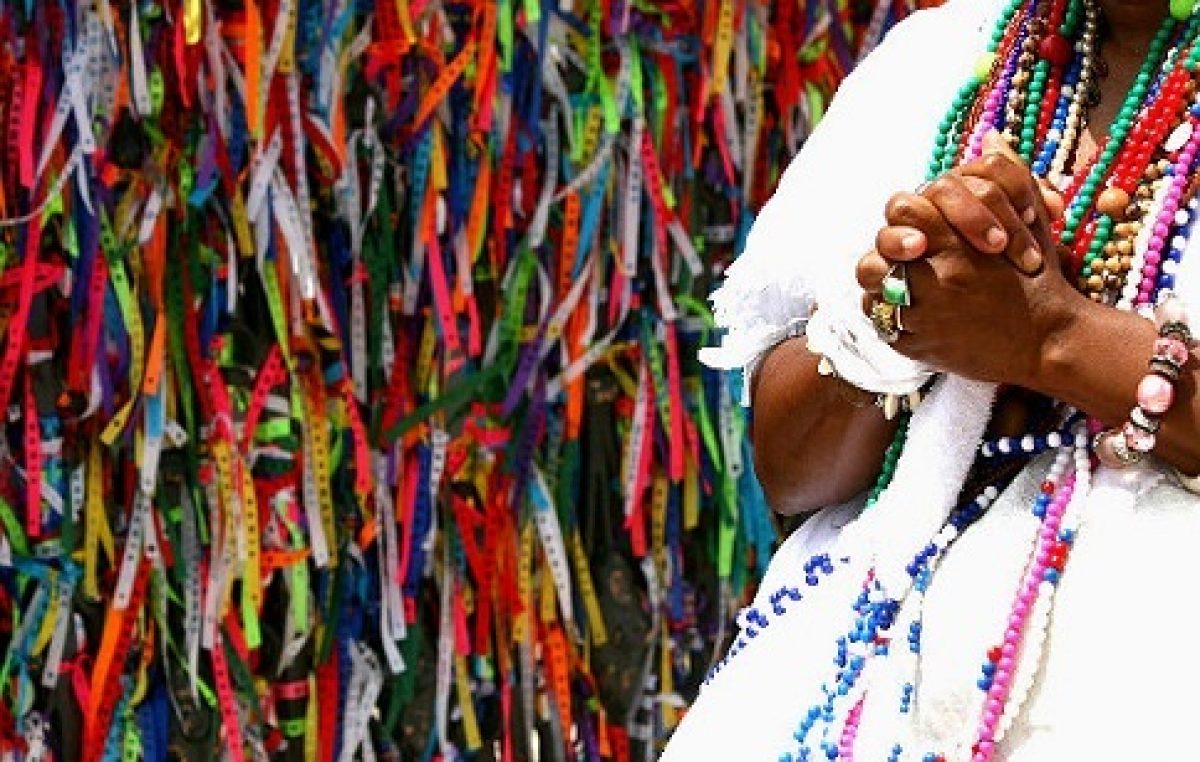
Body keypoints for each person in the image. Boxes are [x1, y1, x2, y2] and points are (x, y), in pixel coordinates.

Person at [661, 0, 1200, 758]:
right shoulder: (935, 62)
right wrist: (894, 318)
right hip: (847, 687)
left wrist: (1051, 337)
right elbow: (789, 472)